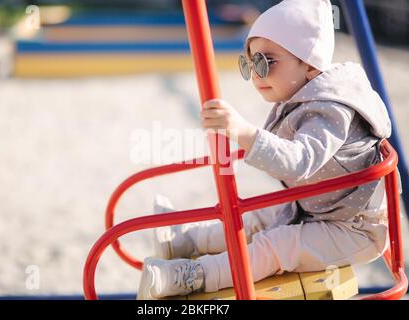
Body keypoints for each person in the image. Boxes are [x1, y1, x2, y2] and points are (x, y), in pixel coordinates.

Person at [137, 0, 397, 300]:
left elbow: (299, 161)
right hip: (320, 207)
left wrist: (243, 131)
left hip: (353, 229)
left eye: (265, 62)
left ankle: (194, 276)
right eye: (249, 63)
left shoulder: (330, 111)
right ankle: (187, 241)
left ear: (310, 65)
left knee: (276, 245)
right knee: (260, 215)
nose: (256, 74)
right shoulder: (304, 94)